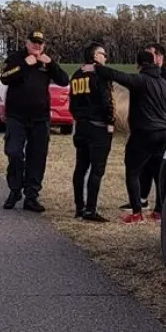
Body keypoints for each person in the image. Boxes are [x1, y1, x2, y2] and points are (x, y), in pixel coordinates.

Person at [83, 49, 166, 223]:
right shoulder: (165, 84)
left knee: (133, 171)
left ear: (139, 65)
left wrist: (96, 68)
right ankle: (159, 211)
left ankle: (137, 212)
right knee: (157, 172)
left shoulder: (141, 80)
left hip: (143, 133)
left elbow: (117, 75)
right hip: (163, 133)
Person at [0, 30, 70, 212]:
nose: (37, 46)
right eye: (33, 42)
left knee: (37, 157)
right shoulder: (15, 58)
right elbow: (5, 78)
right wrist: (24, 65)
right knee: (14, 152)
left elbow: (63, 80)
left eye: (40, 43)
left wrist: (51, 63)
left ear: (44, 45)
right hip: (17, 117)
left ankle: (32, 196)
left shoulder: (46, 62)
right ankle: (15, 190)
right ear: (26, 42)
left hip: (40, 118)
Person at [119, 42, 166, 211]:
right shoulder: (154, 77)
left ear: (160, 57)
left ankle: (158, 207)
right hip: (156, 128)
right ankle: (142, 198)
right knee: (147, 166)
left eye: (151, 55)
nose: (148, 59)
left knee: (156, 167)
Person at [69, 42, 115, 222]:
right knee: (97, 169)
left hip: (81, 126)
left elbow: (72, 103)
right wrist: (110, 121)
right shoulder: (100, 74)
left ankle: (79, 207)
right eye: (103, 54)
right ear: (95, 56)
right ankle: (90, 209)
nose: (105, 57)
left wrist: (79, 118)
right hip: (98, 127)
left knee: (80, 167)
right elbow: (107, 99)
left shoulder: (77, 74)